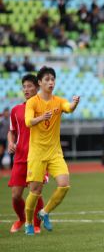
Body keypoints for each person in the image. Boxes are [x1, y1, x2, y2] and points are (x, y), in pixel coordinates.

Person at [23, 66, 80, 236]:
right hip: (37, 153)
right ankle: (28, 223)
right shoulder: (32, 102)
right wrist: (42, 117)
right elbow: (28, 122)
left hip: (54, 152)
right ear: (39, 82)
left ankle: (44, 212)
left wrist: (75, 103)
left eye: (53, 79)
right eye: (47, 79)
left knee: (64, 185)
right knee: (35, 191)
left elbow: (68, 108)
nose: (51, 82)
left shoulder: (58, 101)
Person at [7, 74, 44, 233]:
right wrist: (10, 142)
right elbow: (12, 131)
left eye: (29, 86)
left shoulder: (44, 107)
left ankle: (36, 224)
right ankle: (22, 219)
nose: (26, 89)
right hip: (20, 156)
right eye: (24, 86)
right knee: (16, 195)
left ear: (37, 87)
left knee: (35, 193)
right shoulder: (16, 110)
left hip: (38, 156)